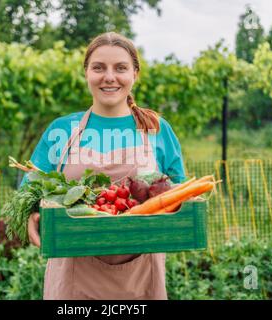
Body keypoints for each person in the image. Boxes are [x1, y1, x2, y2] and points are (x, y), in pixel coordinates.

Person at [21, 32, 186, 300]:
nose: (109, 76)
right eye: (99, 67)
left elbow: (180, 194)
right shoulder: (61, 130)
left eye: (120, 68)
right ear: (86, 72)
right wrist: (31, 213)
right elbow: (27, 190)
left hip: (142, 277)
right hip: (72, 275)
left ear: (135, 74)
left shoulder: (156, 129)